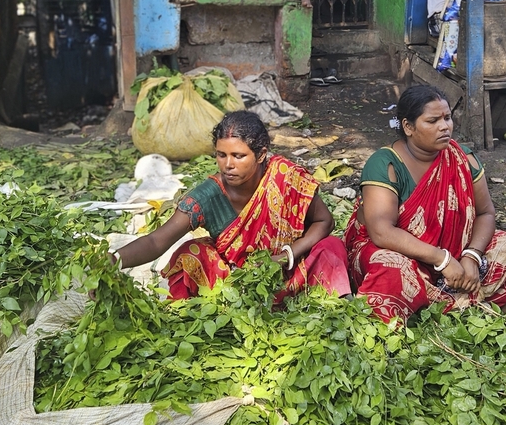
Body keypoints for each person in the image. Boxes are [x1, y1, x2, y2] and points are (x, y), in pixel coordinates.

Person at [343, 85, 506, 324]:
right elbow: (381, 232)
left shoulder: (463, 159)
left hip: (457, 253)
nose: (444, 127)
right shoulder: (385, 164)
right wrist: (442, 260)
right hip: (400, 252)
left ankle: (477, 315)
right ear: (408, 126)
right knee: (390, 270)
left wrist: (472, 256)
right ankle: (436, 311)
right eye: (433, 121)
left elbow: (485, 213)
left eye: (447, 118)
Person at [116, 111, 351, 299]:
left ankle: (336, 304)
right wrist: (113, 260)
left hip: (292, 272)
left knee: (332, 246)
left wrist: (284, 256)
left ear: (261, 155)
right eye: (221, 155)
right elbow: (156, 241)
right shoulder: (208, 196)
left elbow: (325, 221)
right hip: (237, 286)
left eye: (238, 156)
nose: (228, 164)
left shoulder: (284, 177)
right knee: (190, 253)